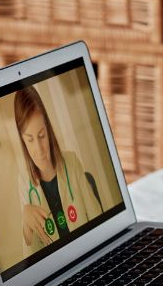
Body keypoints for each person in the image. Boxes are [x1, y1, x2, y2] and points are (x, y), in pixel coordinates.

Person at [16, 85, 104, 258]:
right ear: (23, 141)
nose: (39, 150)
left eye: (41, 136)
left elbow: (98, 220)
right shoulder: (24, 182)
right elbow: (30, 260)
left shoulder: (71, 162)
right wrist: (26, 223)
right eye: (30, 139)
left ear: (48, 131)